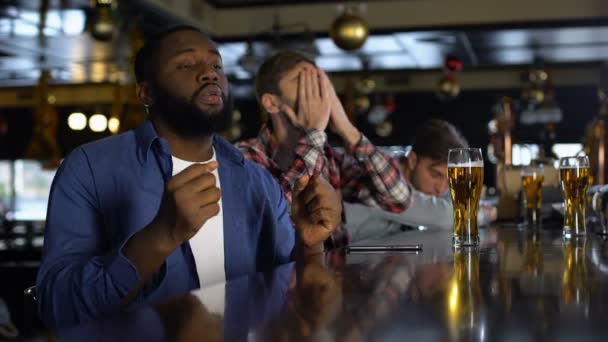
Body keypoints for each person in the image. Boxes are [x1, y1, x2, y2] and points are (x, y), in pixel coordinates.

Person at [36, 25, 341, 329]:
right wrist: (161, 236)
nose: (209, 74)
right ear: (147, 92)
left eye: (216, 65)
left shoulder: (256, 181)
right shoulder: (88, 168)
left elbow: (284, 300)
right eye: (186, 64)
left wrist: (310, 246)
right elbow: (58, 307)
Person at [237, 51, 411, 247]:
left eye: (319, 80)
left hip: (332, 275)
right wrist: (314, 132)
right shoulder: (244, 157)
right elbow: (284, 223)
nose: (317, 89)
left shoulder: (329, 158)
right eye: (303, 80)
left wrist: (347, 129)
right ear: (272, 103)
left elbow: (398, 199)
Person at [345, 119, 496, 242]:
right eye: (436, 175)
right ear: (412, 160)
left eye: (449, 180)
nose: (441, 188)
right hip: (338, 265)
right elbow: (445, 217)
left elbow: (450, 200)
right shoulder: (383, 178)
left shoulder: (423, 184)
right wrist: (485, 214)